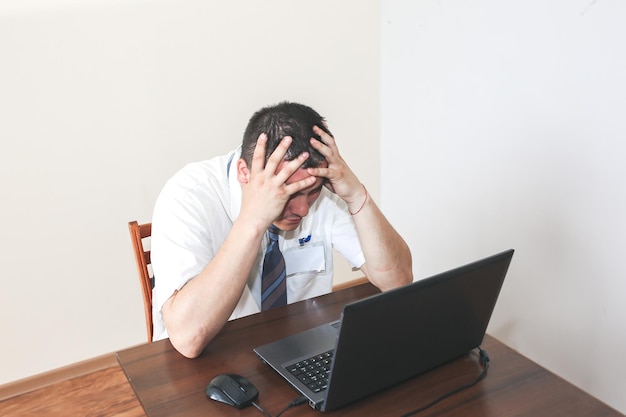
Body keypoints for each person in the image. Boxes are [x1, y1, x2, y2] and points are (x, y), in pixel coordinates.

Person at [151, 102, 413, 358]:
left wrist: (357, 196)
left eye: (312, 193)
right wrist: (254, 220)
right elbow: (188, 339)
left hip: (297, 351)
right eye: (287, 193)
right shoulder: (188, 195)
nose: (302, 210)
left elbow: (397, 280)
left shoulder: (322, 189)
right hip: (212, 362)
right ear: (245, 172)